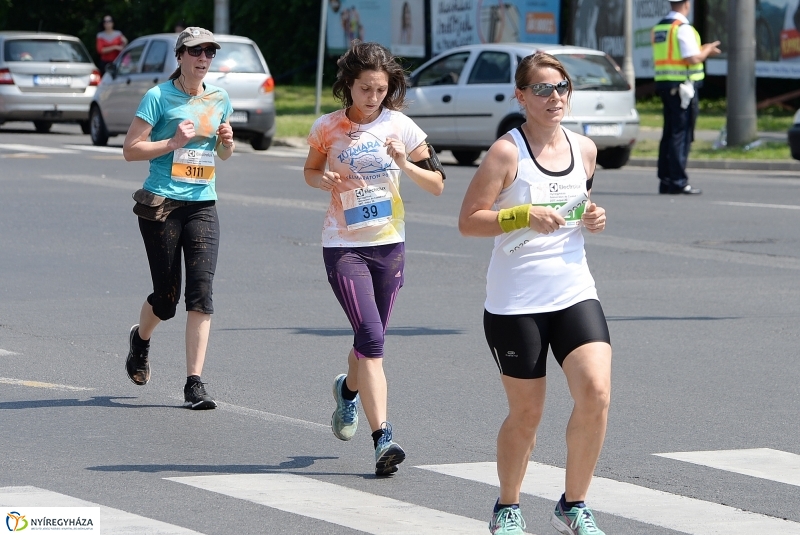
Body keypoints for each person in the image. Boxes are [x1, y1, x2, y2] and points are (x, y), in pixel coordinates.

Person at [458, 52, 612, 535]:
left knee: (596, 393)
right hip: (515, 302)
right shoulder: (507, 153)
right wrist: (520, 215)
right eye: (543, 90)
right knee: (527, 413)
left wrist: (592, 216)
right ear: (521, 96)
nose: (555, 98)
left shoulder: (584, 149)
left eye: (562, 87)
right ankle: (508, 506)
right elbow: (468, 221)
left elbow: (578, 203)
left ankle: (575, 502)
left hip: (573, 290)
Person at [303, 41, 445, 476]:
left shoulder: (401, 127)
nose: (373, 97)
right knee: (372, 337)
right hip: (342, 246)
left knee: (369, 341)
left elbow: (438, 183)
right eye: (365, 88)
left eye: (380, 89)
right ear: (348, 86)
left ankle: (348, 391)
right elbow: (310, 171)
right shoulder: (327, 127)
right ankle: (383, 436)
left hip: (389, 244)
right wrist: (322, 177)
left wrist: (406, 161)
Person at [122, 27, 234, 411]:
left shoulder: (219, 98)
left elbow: (223, 154)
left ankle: (194, 382)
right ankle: (141, 339)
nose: (203, 59)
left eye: (209, 53)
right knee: (167, 299)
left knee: (201, 293)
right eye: (196, 52)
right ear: (181, 56)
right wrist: (172, 143)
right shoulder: (158, 96)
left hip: (203, 204)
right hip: (163, 205)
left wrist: (227, 141)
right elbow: (131, 150)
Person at [652, 0, 721, 194]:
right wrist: (707, 50)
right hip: (683, 86)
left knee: (669, 133)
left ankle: (665, 180)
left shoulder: (661, 27)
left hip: (666, 84)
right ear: (687, 4)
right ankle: (678, 180)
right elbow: (692, 58)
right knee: (680, 134)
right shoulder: (682, 27)